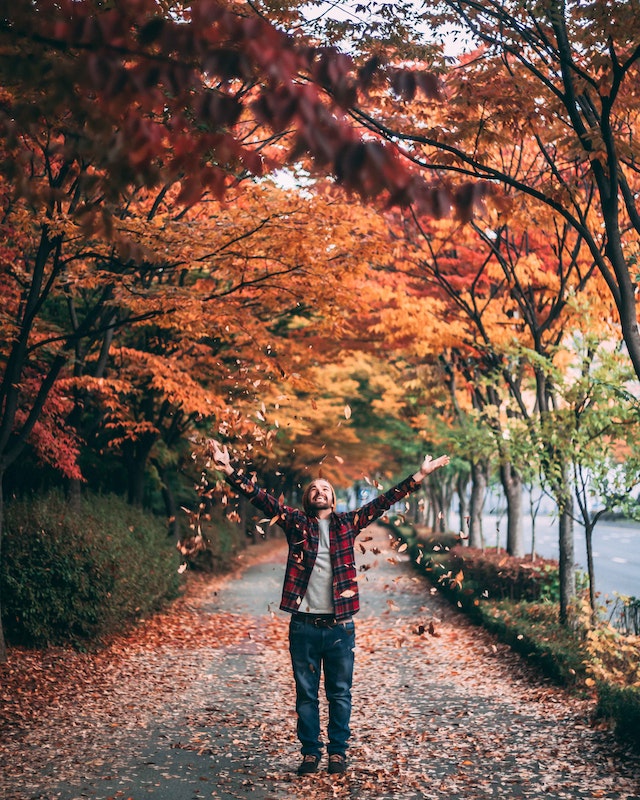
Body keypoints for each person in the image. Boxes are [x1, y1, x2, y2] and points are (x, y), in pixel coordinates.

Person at [209, 440, 450, 776]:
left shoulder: (346, 524)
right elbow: (261, 498)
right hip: (303, 626)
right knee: (306, 697)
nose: (319, 491)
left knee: (339, 696)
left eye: (325, 488)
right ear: (307, 498)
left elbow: (385, 500)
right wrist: (229, 470)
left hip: (339, 627)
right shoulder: (294, 522)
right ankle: (310, 754)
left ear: (333, 500)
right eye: (314, 488)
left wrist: (419, 475)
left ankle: (337, 753)